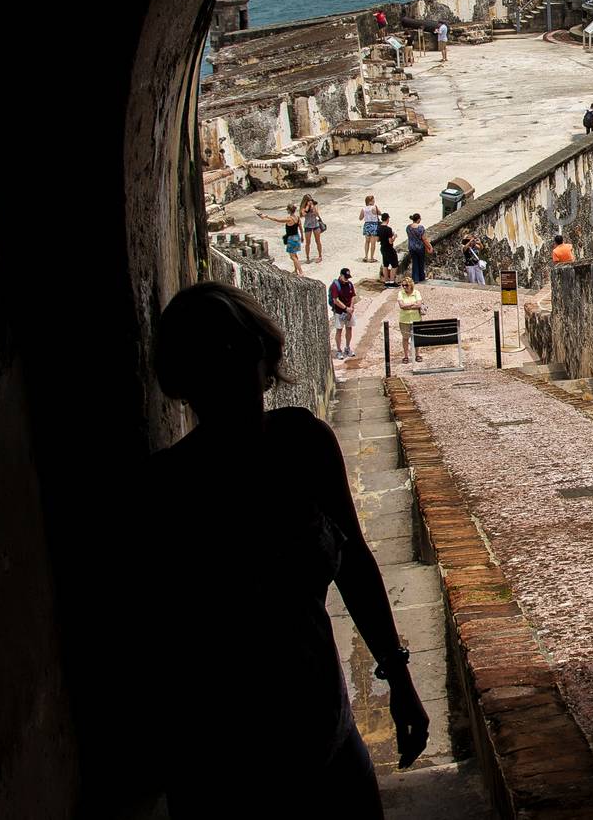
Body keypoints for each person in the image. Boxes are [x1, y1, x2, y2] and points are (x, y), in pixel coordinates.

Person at [145, 283, 428, 814]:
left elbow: (358, 567)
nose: (229, 372)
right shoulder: (170, 486)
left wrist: (399, 674)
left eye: (235, 350)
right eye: (214, 357)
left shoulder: (302, 443)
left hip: (322, 728)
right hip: (223, 755)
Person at [257, 202, 305, 275]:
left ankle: (301, 272)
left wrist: (266, 216)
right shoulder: (297, 218)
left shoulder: (289, 219)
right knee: (295, 255)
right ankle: (296, 270)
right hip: (297, 237)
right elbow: (301, 228)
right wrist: (302, 237)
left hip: (291, 239)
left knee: (292, 257)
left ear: (289, 210)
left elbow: (277, 220)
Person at [329, 268, 356, 359]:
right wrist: (346, 308)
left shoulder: (349, 284)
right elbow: (335, 300)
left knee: (349, 329)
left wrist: (351, 308)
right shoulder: (335, 286)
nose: (347, 279)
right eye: (345, 277)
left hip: (349, 311)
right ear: (341, 275)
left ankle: (347, 348)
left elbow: (353, 296)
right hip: (339, 312)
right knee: (339, 330)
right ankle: (339, 350)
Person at [397, 276, 425, 363]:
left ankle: (417, 354)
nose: (404, 287)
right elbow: (402, 306)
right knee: (405, 338)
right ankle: (406, 356)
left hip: (415, 319)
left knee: (416, 337)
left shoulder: (416, 293)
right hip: (404, 320)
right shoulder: (401, 293)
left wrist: (407, 305)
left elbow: (419, 305)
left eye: (406, 285)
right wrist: (413, 303)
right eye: (403, 285)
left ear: (411, 285)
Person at [300, 194, 325, 264]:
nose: (310, 201)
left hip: (315, 225)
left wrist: (313, 207)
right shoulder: (303, 207)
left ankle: (320, 256)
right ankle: (307, 257)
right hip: (307, 226)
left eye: (311, 200)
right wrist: (307, 207)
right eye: (308, 200)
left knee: (318, 241)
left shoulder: (314, 205)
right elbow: (303, 214)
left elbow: (317, 214)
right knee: (308, 243)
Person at [406, 213, 431, 283]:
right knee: (421, 262)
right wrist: (430, 247)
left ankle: (415, 278)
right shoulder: (420, 228)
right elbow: (424, 239)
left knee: (415, 262)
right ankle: (421, 277)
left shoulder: (408, 227)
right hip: (419, 247)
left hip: (411, 247)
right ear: (419, 219)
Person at [377, 212, 399, 287]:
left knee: (385, 265)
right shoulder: (388, 229)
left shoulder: (379, 228)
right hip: (389, 248)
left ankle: (386, 281)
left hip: (382, 247)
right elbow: (390, 241)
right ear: (387, 219)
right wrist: (394, 237)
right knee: (394, 264)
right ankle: (392, 281)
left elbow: (377, 239)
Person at [360, 195, 381, 263]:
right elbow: (380, 213)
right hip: (374, 225)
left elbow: (360, 218)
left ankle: (366, 256)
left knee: (367, 241)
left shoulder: (363, 208)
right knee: (373, 243)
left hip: (367, 225)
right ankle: (371, 257)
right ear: (371, 201)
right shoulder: (374, 207)